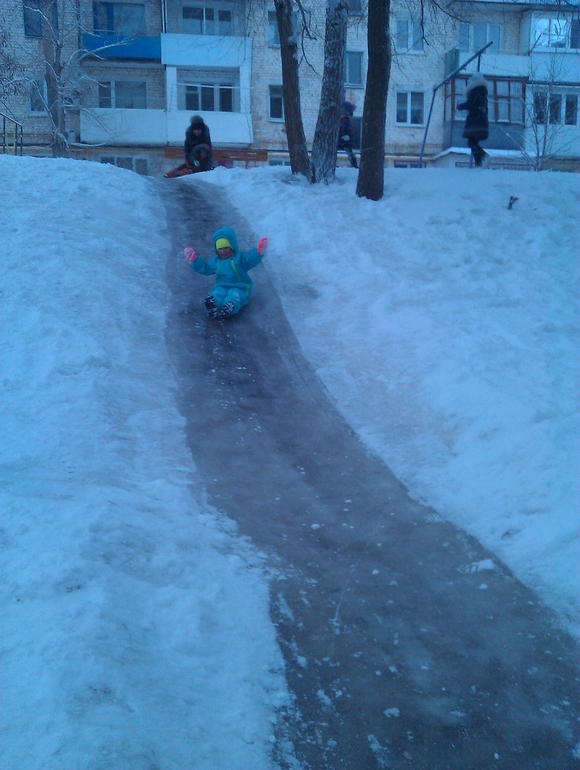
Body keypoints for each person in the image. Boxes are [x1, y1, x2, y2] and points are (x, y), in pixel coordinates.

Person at [184, 227, 268, 319]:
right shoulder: (217, 261)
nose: (223, 251)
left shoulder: (240, 258)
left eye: (226, 248)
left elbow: (250, 259)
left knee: (234, 295)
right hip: (222, 285)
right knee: (217, 293)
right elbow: (206, 267)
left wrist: (258, 252)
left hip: (240, 286)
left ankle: (229, 307)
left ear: (232, 246)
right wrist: (194, 261)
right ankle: (212, 305)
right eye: (220, 249)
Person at [457, 73, 490, 168]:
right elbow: (486, 108)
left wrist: (460, 106)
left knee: (471, 142)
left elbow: (470, 104)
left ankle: (484, 156)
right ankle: (479, 163)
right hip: (482, 119)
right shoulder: (483, 92)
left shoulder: (475, 90)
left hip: (475, 120)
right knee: (473, 142)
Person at [338, 102, 358, 169]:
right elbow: (345, 127)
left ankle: (354, 164)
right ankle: (354, 164)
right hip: (346, 139)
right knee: (349, 152)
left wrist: (344, 134)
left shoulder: (344, 118)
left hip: (345, 139)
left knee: (349, 152)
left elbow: (344, 127)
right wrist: (345, 134)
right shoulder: (346, 118)